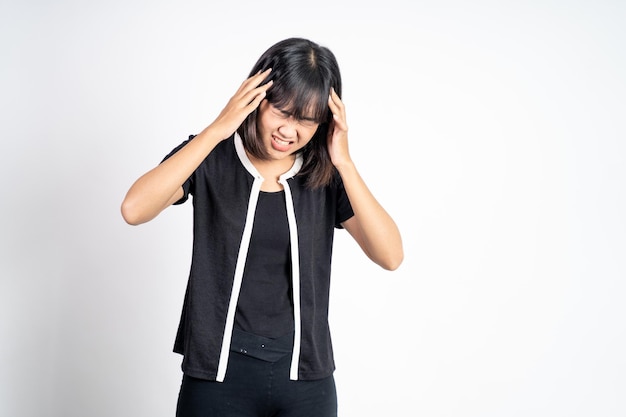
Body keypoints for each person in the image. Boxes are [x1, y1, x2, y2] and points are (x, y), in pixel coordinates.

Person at [121, 37, 403, 417]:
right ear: (257, 98)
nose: (290, 131)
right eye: (282, 111)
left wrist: (345, 163)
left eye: (306, 120)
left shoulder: (325, 176)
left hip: (305, 377)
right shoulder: (211, 157)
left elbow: (391, 255)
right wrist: (218, 129)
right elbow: (134, 209)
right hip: (218, 374)